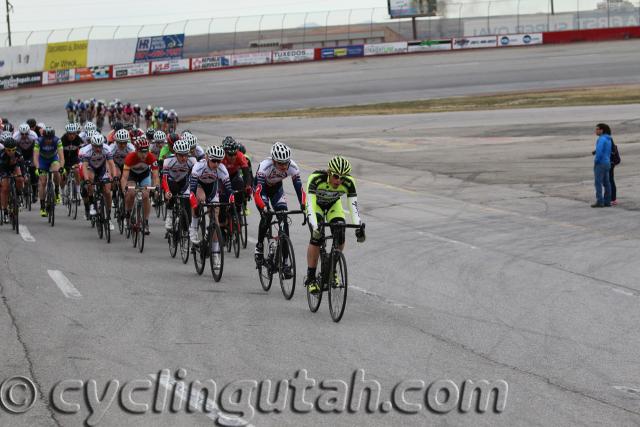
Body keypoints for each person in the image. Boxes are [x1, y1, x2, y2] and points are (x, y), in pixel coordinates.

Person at [304, 156, 365, 293]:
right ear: (329, 172)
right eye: (336, 176)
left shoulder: (349, 183)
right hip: (316, 206)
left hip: (333, 205)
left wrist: (358, 227)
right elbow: (310, 205)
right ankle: (311, 277)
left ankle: (332, 270)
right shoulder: (316, 178)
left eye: (342, 178)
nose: (339, 181)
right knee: (317, 238)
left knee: (340, 233)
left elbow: (353, 208)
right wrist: (315, 227)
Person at [253, 142, 304, 267]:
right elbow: (258, 192)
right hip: (262, 190)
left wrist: (304, 206)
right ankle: (259, 247)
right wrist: (264, 207)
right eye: (280, 163)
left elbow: (300, 189)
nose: (283, 166)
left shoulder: (293, 167)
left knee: (283, 218)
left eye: (286, 162)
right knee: (267, 216)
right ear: (274, 161)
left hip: (277, 190)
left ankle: (286, 262)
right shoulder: (265, 166)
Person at [121, 137, 160, 235]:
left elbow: (155, 176)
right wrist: (124, 189)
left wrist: (156, 187)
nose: (144, 155)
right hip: (132, 176)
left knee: (146, 196)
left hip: (144, 176)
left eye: (146, 152)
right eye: (141, 152)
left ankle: (145, 222)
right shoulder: (130, 157)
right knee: (130, 193)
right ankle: (128, 213)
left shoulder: (151, 157)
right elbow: (124, 178)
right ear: (136, 150)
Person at [34, 127, 64, 216]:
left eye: (50, 138)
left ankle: (57, 191)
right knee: (42, 182)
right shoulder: (38, 141)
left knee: (57, 171)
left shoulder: (57, 141)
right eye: (46, 138)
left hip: (53, 159)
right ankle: (42, 206)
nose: (48, 140)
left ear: (53, 137)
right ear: (43, 137)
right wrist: (37, 168)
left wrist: (61, 167)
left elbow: (61, 157)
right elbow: (35, 157)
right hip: (42, 161)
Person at [0, 138, 25, 222]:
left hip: (15, 167)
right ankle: (5, 212)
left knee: (20, 179)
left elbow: (22, 165)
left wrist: (23, 175)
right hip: (4, 169)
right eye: (9, 150)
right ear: (5, 149)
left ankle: (18, 195)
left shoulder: (18, 152)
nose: (11, 152)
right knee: (5, 188)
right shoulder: (2, 154)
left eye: (13, 150)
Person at [592, 123, 612, 208]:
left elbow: (599, 152)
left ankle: (600, 201)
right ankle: (607, 201)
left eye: (597, 129)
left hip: (601, 163)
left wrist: (596, 160)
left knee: (598, 183)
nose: (595, 131)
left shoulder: (601, 139)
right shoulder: (609, 139)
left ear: (601, 130)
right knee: (607, 183)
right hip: (607, 162)